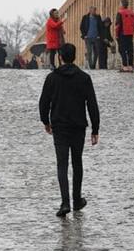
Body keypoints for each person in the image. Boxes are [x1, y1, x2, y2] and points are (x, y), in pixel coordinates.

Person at [39, 43, 100, 218]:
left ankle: (65, 202)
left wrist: (46, 121)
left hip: (59, 126)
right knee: (77, 162)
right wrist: (95, 129)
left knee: (62, 164)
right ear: (74, 56)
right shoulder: (84, 78)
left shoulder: (52, 78)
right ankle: (77, 199)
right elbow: (92, 104)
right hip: (78, 126)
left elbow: (43, 103)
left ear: (60, 56)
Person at [115, 0, 134, 72]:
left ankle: (124, 66)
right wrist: (132, 32)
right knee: (130, 50)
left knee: (122, 50)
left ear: (122, 5)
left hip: (122, 34)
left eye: (120, 3)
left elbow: (118, 25)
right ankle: (130, 66)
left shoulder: (120, 13)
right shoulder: (132, 13)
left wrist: (117, 35)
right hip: (130, 34)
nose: (119, 5)